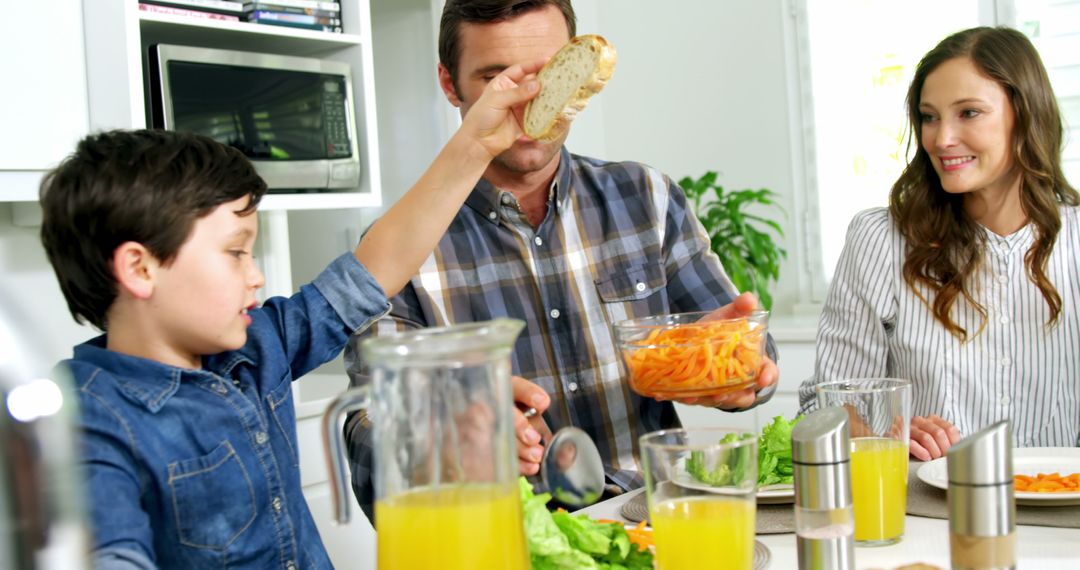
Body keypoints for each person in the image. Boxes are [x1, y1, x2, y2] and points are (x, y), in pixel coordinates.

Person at [38, 60, 544, 569]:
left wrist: (477, 145)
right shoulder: (83, 423)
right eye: (236, 252)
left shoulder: (256, 349)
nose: (256, 275)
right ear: (140, 268)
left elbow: (373, 271)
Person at [343, 0, 779, 522]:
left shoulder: (646, 197)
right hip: (506, 541)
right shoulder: (396, 249)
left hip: (654, 528)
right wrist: (444, 433)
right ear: (448, 83)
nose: (530, 103)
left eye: (551, 76)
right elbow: (367, 430)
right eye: (496, 78)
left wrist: (728, 363)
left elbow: (750, 361)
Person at [799, 26, 1080, 461]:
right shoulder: (881, 239)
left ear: (1025, 116)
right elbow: (828, 403)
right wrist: (883, 433)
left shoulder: (1075, 241)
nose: (941, 138)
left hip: (1061, 515)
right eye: (929, 117)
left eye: (968, 113)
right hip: (924, 514)